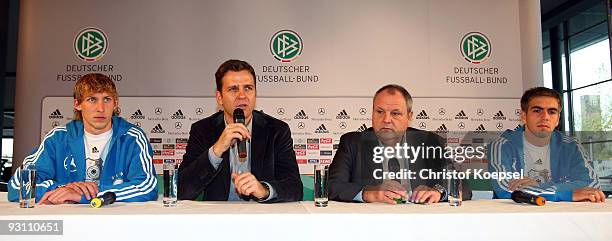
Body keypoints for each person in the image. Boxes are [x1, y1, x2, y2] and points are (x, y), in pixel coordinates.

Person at [8, 73, 158, 204]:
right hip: (67, 226)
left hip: (114, 224)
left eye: (106, 99)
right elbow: (17, 186)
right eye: (92, 99)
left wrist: (86, 194)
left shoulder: (132, 137)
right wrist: (63, 190)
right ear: (77, 104)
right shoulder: (58, 138)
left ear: (115, 104)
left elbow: (147, 187)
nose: (100, 108)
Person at [178, 59, 302, 202]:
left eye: (248, 88)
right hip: (218, 219)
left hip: (263, 218)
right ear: (220, 98)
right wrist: (216, 150)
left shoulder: (276, 130)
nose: (242, 96)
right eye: (233, 89)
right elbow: (181, 190)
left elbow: (295, 188)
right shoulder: (203, 130)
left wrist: (264, 190)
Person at [328, 84, 471, 204]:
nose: (386, 119)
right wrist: (369, 193)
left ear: (409, 116)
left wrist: (439, 192)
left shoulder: (429, 142)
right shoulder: (352, 143)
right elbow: (332, 187)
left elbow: (462, 186)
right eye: (379, 111)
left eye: (395, 113)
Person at [488, 87, 604, 202]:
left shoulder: (572, 146)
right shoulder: (502, 145)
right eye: (537, 110)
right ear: (523, 115)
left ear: (558, 119)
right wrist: (565, 193)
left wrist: (539, 185)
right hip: (518, 216)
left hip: (564, 216)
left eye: (552, 112)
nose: (545, 117)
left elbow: (592, 184)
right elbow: (505, 189)